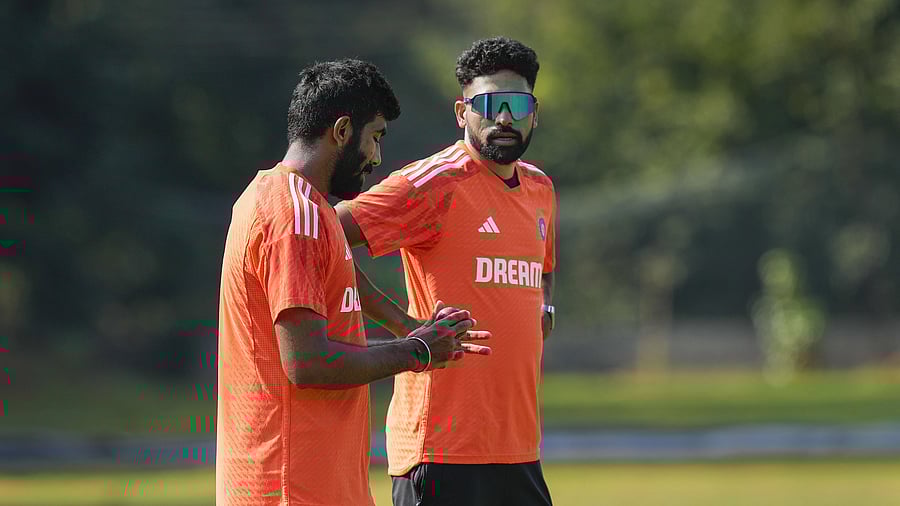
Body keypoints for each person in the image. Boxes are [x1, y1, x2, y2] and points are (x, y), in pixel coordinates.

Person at [215, 58, 491, 505]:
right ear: (342, 131)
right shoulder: (295, 217)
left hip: (306, 483)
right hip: (293, 487)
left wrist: (408, 325)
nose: (377, 157)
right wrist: (418, 352)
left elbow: (340, 274)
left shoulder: (291, 201)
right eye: (375, 136)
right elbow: (309, 363)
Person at [337, 37, 556, 505]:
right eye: (488, 104)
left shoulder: (540, 189)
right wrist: (408, 330)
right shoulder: (435, 182)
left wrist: (545, 307)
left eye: (516, 105)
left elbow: (544, 268)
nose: (503, 118)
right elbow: (323, 235)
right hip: (442, 453)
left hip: (518, 449)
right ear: (462, 114)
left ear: (534, 112)